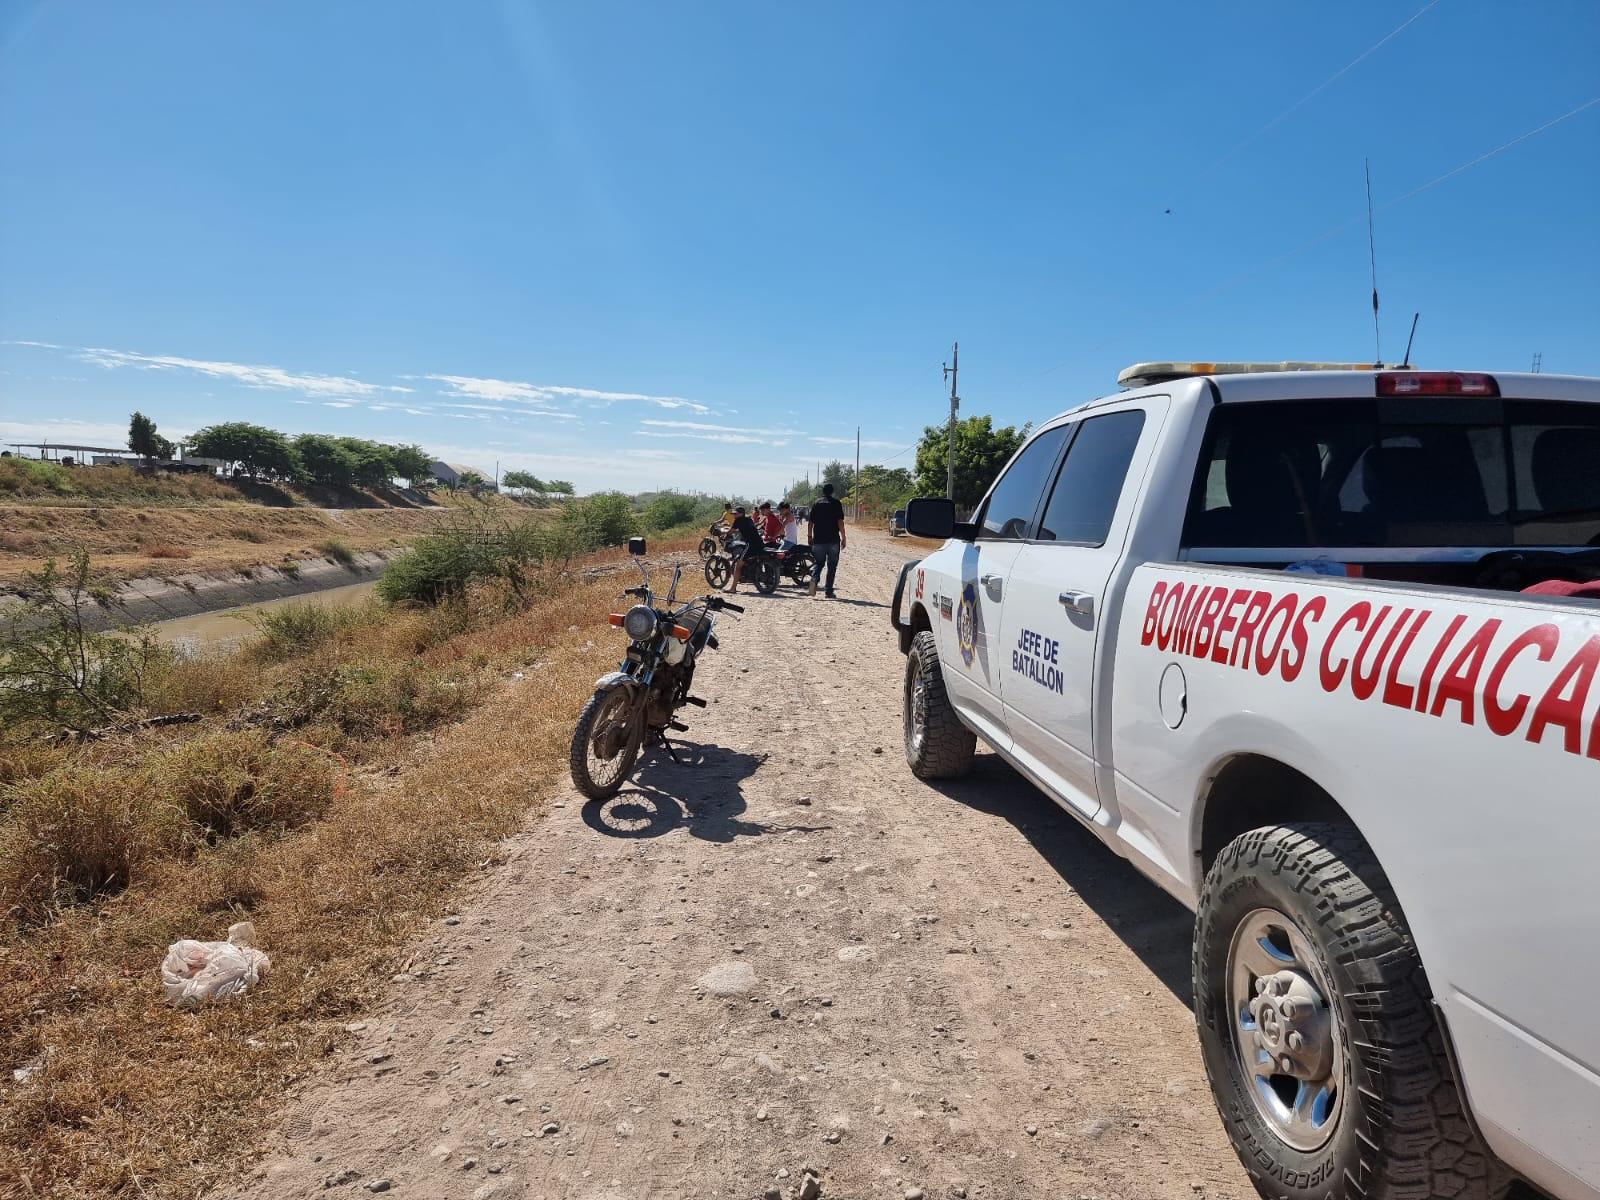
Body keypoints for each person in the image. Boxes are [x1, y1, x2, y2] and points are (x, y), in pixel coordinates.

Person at [807, 483, 846, 598]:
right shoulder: (836, 503)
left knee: (819, 564)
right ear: (832, 492)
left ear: (823, 492)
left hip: (818, 540)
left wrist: (809, 536)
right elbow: (840, 522)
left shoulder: (817, 503)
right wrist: (844, 537)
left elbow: (810, 523)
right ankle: (828, 591)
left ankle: (814, 579)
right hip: (833, 540)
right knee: (832, 566)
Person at [726, 505, 767, 593]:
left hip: (751, 545)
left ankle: (733, 588)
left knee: (738, 565)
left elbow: (730, 531)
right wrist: (737, 531)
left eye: (735, 513)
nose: (734, 515)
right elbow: (746, 529)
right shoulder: (748, 519)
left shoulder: (738, 520)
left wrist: (725, 534)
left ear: (741, 514)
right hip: (760, 544)